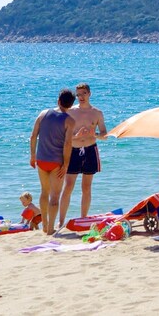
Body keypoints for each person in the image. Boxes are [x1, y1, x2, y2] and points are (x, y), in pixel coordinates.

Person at [58, 82, 107, 228]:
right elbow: (63, 136)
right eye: (78, 95)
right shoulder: (71, 112)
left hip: (91, 150)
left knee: (87, 187)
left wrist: (95, 134)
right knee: (68, 186)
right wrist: (76, 135)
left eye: (83, 94)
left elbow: (105, 134)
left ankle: (83, 219)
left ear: (89, 94)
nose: (81, 97)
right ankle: (61, 221)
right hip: (73, 151)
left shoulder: (97, 113)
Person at [29, 89, 76, 235]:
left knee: (44, 192)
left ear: (58, 100)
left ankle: (44, 226)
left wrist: (32, 156)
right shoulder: (69, 120)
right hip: (57, 162)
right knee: (55, 196)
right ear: (71, 105)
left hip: (41, 159)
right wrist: (66, 164)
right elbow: (68, 144)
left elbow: (33, 136)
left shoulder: (43, 114)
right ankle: (50, 229)